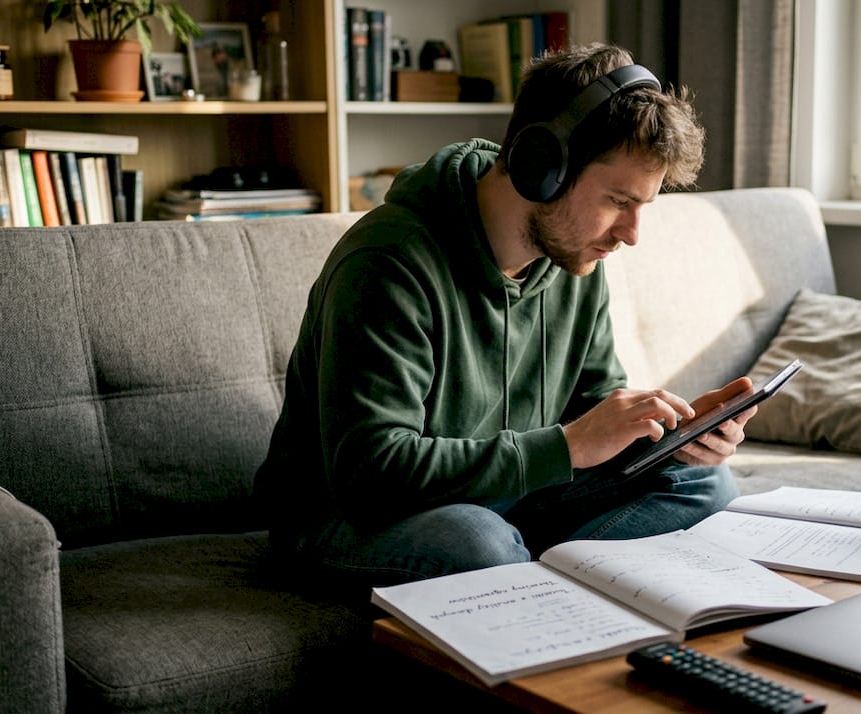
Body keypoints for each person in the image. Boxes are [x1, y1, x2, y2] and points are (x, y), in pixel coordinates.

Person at [255, 43, 758, 593]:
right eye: (618, 201)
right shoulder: (388, 264)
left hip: (507, 496)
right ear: (542, 166)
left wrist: (665, 433)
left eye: (643, 206)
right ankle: (541, 584)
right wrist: (566, 448)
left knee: (705, 485)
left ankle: (537, 586)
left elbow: (593, 403)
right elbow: (372, 474)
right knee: (476, 541)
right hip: (351, 515)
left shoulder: (574, 259)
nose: (631, 234)